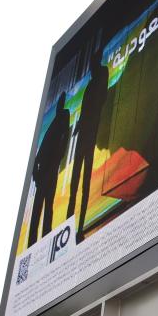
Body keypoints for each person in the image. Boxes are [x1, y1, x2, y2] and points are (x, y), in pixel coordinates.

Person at [68, 51, 109, 242]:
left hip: (91, 133)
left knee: (84, 182)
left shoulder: (102, 74)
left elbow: (101, 99)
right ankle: (68, 227)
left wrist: (89, 121)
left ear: (96, 62)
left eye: (92, 64)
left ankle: (80, 226)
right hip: (83, 134)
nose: (91, 69)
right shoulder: (92, 81)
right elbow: (86, 108)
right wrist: (79, 126)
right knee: (75, 181)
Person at [29, 92, 70, 248]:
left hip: (50, 173)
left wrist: (58, 157)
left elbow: (64, 137)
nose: (61, 106)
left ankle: (46, 245)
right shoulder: (51, 131)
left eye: (62, 103)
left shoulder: (62, 120)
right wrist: (36, 176)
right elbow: (36, 159)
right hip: (44, 176)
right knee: (38, 213)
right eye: (60, 103)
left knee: (48, 210)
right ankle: (33, 247)